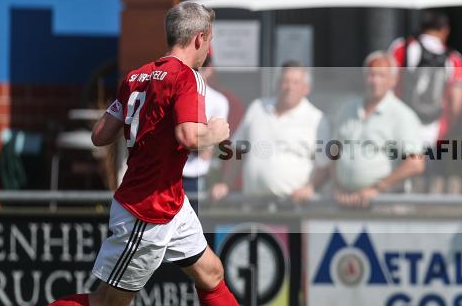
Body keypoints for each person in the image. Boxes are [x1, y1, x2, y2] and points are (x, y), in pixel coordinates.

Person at [0, 2, 304, 306]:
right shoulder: (187, 77)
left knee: (211, 272)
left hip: (169, 199)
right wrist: (216, 132)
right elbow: (189, 136)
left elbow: (100, 135)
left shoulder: (137, 76)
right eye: (209, 41)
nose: (207, 50)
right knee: (108, 305)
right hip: (148, 209)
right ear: (199, 38)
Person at [210, 62, 329, 203]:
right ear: (277, 84)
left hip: (293, 205)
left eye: (296, 82)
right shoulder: (257, 108)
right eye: (285, 81)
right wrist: (226, 184)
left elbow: (325, 165)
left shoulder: (316, 119)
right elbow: (237, 152)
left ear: (306, 89)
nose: (289, 87)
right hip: (252, 203)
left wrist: (310, 188)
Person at [332, 51, 425, 208]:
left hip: (384, 204)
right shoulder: (346, 109)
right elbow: (333, 153)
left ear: (393, 80)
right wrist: (337, 186)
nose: (375, 81)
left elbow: (415, 164)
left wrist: (377, 188)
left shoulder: (402, 115)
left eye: (381, 76)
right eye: (371, 75)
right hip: (345, 203)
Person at [388, 11, 462, 192]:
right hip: (435, 130)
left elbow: (388, 85)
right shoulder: (453, 58)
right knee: (431, 182)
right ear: (445, 30)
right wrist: (451, 125)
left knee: (399, 175)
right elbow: (457, 102)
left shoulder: (401, 48)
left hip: (401, 125)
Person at [182, 74, 229, 210]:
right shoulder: (178, 93)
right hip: (172, 173)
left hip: (199, 175)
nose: (200, 70)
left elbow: (212, 145)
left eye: (206, 64)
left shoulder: (217, 100)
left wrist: (204, 142)